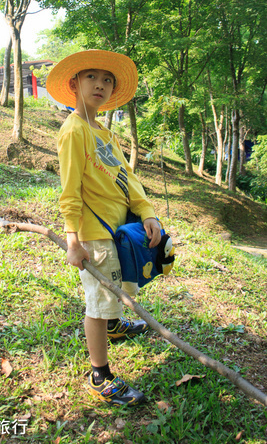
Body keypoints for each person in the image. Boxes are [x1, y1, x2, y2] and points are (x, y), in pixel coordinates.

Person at [46, 50, 161, 407]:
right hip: (93, 235)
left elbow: (127, 178)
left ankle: (116, 325)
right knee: (97, 303)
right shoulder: (73, 130)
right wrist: (72, 241)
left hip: (118, 230)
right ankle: (100, 374)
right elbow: (70, 191)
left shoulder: (105, 134)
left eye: (107, 79)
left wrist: (147, 211)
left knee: (118, 286)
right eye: (91, 76)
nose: (100, 84)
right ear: (74, 84)